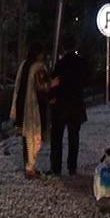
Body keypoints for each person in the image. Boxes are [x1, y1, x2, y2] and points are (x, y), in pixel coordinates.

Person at [10, 43, 50, 178]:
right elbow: (41, 87)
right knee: (35, 137)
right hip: (34, 108)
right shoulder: (38, 67)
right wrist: (52, 84)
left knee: (27, 137)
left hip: (23, 106)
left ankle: (29, 166)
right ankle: (30, 167)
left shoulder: (24, 65)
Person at [49, 37, 88, 176]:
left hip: (60, 105)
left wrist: (52, 97)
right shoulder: (81, 63)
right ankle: (72, 167)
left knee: (57, 138)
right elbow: (86, 81)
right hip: (76, 105)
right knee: (74, 138)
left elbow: (54, 82)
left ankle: (56, 167)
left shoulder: (60, 63)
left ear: (63, 47)